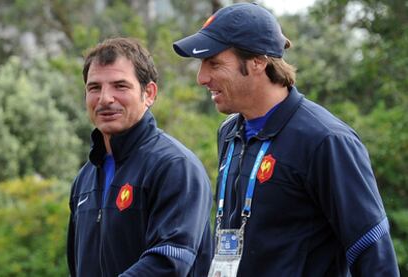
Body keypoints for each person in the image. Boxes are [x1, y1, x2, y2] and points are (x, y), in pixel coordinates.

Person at [173, 3, 399, 276]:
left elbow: (372, 252)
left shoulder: (325, 140)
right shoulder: (230, 132)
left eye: (214, 63)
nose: (201, 77)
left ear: (258, 61)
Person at [67, 37, 213, 276]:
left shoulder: (175, 167)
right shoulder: (85, 179)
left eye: (120, 86)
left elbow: (170, 263)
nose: (105, 98)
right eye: (94, 88)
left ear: (149, 93)